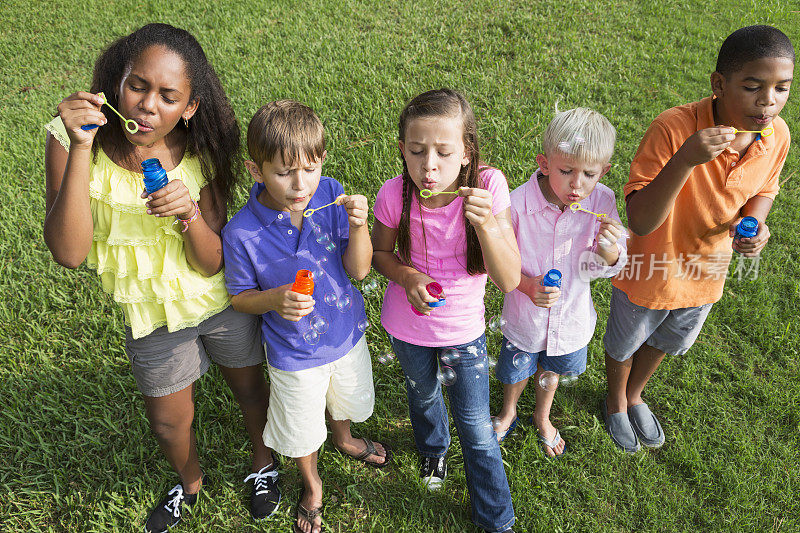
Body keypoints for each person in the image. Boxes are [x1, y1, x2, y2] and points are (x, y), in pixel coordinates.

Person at [43, 23, 278, 533]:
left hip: (222, 302)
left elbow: (213, 264)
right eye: (138, 86)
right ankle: (189, 483)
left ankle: (263, 463)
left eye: (168, 96)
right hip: (151, 313)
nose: (148, 106)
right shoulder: (69, 138)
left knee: (251, 388)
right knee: (169, 421)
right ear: (116, 82)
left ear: (189, 108)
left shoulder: (199, 148)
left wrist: (190, 215)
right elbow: (69, 252)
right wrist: (81, 147)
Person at [603, 25, 794, 453]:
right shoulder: (674, 128)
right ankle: (616, 398)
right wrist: (687, 158)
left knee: (669, 338)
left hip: (708, 267)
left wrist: (756, 224)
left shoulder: (776, 135)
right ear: (718, 85)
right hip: (651, 265)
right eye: (752, 86)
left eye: (782, 88)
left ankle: (636, 393)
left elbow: (765, 188)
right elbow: (642, 218)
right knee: (624, 341)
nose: (768, 101)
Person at [222, 100, 390, 533]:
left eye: (310, 169)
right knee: (300, 424)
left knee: (343, 399)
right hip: (293, 351)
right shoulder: (242, 232)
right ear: (255, 170)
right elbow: (240, 298)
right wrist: (275, 298)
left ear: (323, 163)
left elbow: (359, 270)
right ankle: (311, 484)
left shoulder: (331, 194)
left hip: (344, 334)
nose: (301, 185)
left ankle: (345, 437)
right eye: (284, 173)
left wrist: (358, 227)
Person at [372, 88, 520, 533]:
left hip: (464, 331)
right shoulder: (395, 194)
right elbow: (380, 253)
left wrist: (488, 224)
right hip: (407, 326)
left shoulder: (489, 186)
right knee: (422, 396)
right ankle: (433, 450)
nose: (429, 166)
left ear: (467, 151)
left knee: (476, 428)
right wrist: (406, 277)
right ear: (402, 149)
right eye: (416, 151)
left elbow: (509, 278)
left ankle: (497, 521)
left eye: (443, 152)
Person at [491, 108, 627, 457]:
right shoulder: (516, 205)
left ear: (605, 171)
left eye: (589, 174)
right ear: (545, 163)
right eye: (566, 171)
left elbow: (605, 267)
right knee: (517, 368)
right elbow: (498, 265)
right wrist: (526, 286)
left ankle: (542, 415)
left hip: (571, 320)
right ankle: (508, 411)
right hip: (525, 319)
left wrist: (608, 251)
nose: (576, 184)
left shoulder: (604, 201)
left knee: (551, 369)